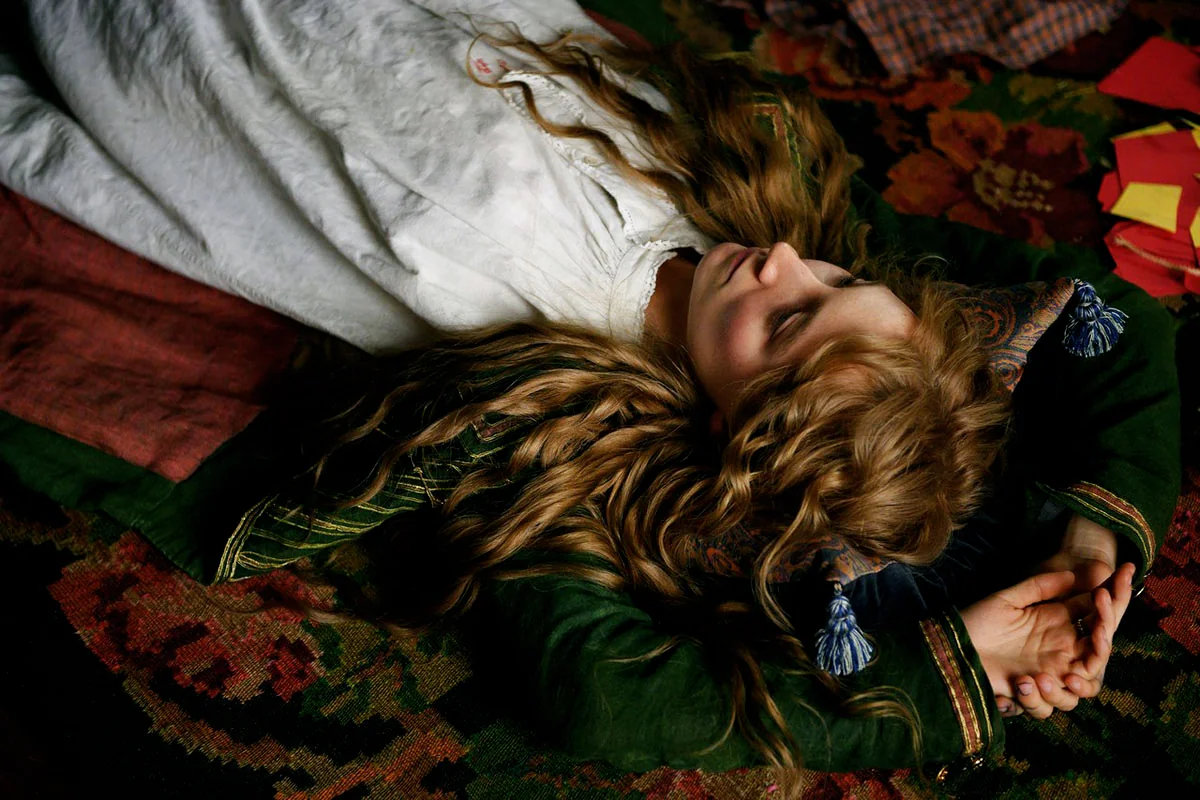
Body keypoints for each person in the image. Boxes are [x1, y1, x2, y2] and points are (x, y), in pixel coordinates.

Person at [0, 0, 1178, 787]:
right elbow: (1118, 325)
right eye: (834, 279)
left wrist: (943, 666)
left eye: (788, 320)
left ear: (725, 426)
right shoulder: (762, 219)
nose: (785, 263)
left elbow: (610, 699)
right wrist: (1089, 544)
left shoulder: (556, 396)